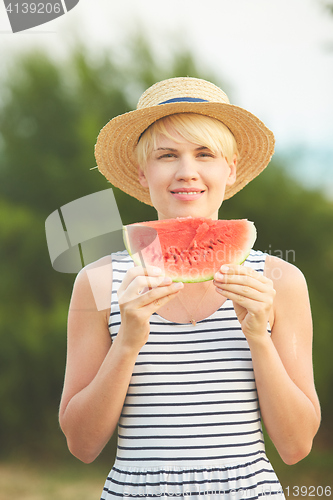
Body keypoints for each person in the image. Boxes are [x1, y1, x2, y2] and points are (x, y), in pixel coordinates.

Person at [59, 77, 321, 499]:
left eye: (205, 154)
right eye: (167, 155)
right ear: (143, 173)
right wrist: (127, 342)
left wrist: (259, 338)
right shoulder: (97, 282)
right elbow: (82, 446)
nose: (187, 172)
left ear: (230, 168)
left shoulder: (281, 281)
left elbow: (296, 447)